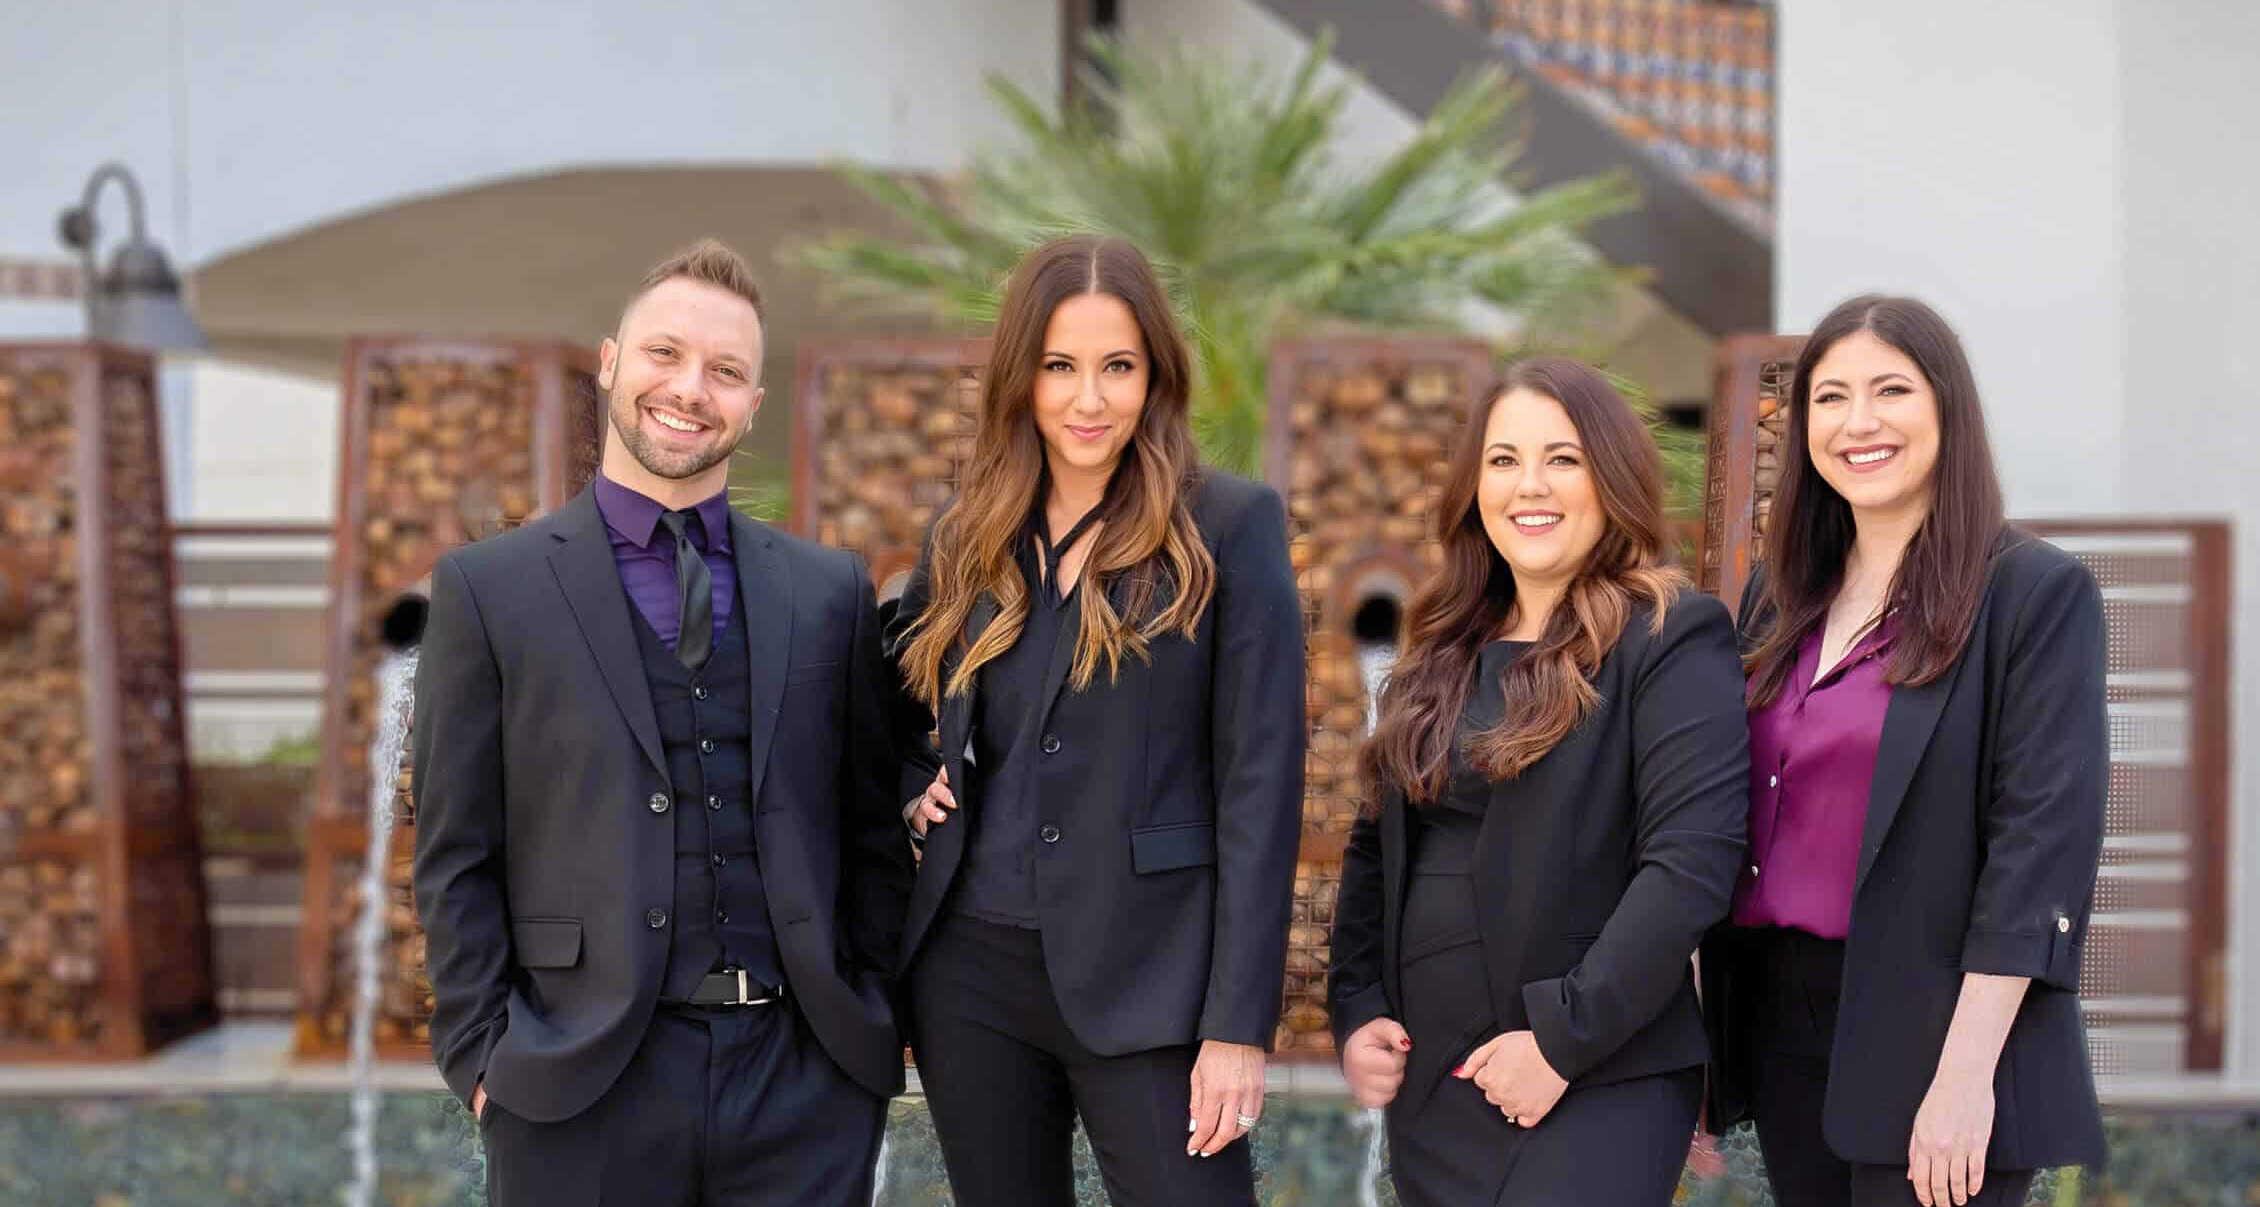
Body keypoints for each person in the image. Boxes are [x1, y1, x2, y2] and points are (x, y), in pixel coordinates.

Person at [411, 239, 911, 1206]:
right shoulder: (489, 590)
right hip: (576, 1085)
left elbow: (871, 831)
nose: (690, 388)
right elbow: (454, 847)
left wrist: (867, 1016)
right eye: (664, 354)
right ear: (610, 363)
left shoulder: (828, 592)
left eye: (725, 371)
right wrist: (482, 1054)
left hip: (801, 1084)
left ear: (753, 404)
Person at [888, 234, 1305, 1206]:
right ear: (1020, 378)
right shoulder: (965, 532)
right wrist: (911, 782)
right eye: (1058, 367)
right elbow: (891, 694)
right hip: (969, 976)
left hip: (1154, 975)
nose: (1089, 398)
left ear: (1155, 374)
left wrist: (1236, 1024)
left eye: (1117, 366)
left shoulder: (1229, 525)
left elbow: (1261, 780)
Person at [1702, 295, 2108, 1207]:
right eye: (1831, 397)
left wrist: (1965, 1076)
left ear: (1946, 408)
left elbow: (2040, 848)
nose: (1859, 422)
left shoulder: (2032, 594)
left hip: (1942, 1028)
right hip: (1783, 1023)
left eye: (1891, 390)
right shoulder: (1777, 596)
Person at [1329, 358, 1750, 1205]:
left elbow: (1690, 866)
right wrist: (1359, 1004)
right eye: (1504, 459)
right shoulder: (1440, 648)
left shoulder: (1669, 636)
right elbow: (1377, 846)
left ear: (1611, 478)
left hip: (1597, 1073)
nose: (1531, 484)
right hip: (1437, 1084)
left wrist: (1561, 1039)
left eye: (1563, 458)